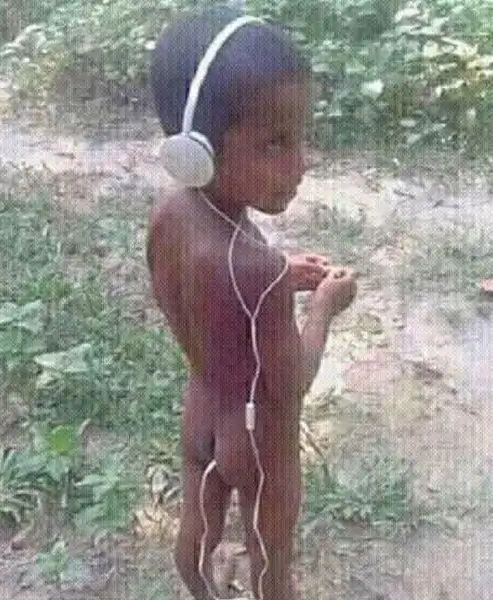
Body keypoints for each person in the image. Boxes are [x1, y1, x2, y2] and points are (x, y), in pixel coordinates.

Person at [147, 6, 357, 600]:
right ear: (197, 150)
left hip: (204, 406)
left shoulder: (169, 216)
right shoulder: (256, 271)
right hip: (259, 437)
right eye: (275, 143)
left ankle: (200, 591)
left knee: (199, 524)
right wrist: (324, 307)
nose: (300, 163)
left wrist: (282, 274)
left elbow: (208, 296)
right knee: (271, 550)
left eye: (300, 138)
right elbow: (289, 384)